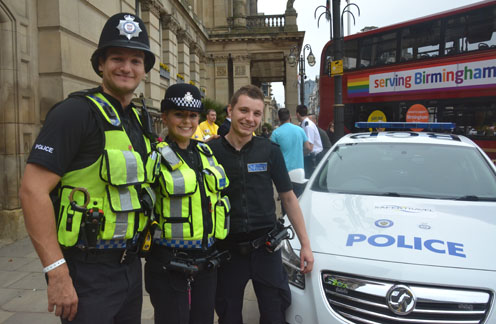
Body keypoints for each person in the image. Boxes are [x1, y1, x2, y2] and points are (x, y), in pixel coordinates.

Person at [19, 12, 157, 323]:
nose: (126, 67)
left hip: (130, 270)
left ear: (145, 70)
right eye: (117, 58)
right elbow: (32, 191)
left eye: (136, 61)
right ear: (100, 64)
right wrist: (57, 273)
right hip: (87, 273)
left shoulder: (137, 119)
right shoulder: (74, 113)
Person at [209, 85, 314, 324]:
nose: (250, 119)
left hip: (266, 249)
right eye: (244, 111)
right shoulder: (210, 151)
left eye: (256, 113)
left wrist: (305, 245)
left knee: (274, 312)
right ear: (230, 110)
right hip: (227, 250)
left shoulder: (269, 150)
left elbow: (288, 198)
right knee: (228, 314)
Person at [145, 83, 231, 324]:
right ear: (165, 117)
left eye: (192, 116)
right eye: (179, 114)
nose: (186, 122)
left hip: (206, 259)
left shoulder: (206, 153)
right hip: (169, 261)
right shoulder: (154, 156)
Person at [271, 108, 311, 198]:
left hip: (283, 171)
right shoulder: (300, 130)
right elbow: (308, 147)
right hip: (299, 170)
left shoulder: (275, 133)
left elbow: (272, 153)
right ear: (289, 117)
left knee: (285, 200)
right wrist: (302, 153)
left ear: (278, 118)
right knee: (298, 199)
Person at [296, 105, 323, 178]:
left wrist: (299, 155)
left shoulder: (308, 126)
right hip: (311, 157)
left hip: (313, 158)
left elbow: (309, 147)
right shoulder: (305, 124)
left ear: (297, 114)